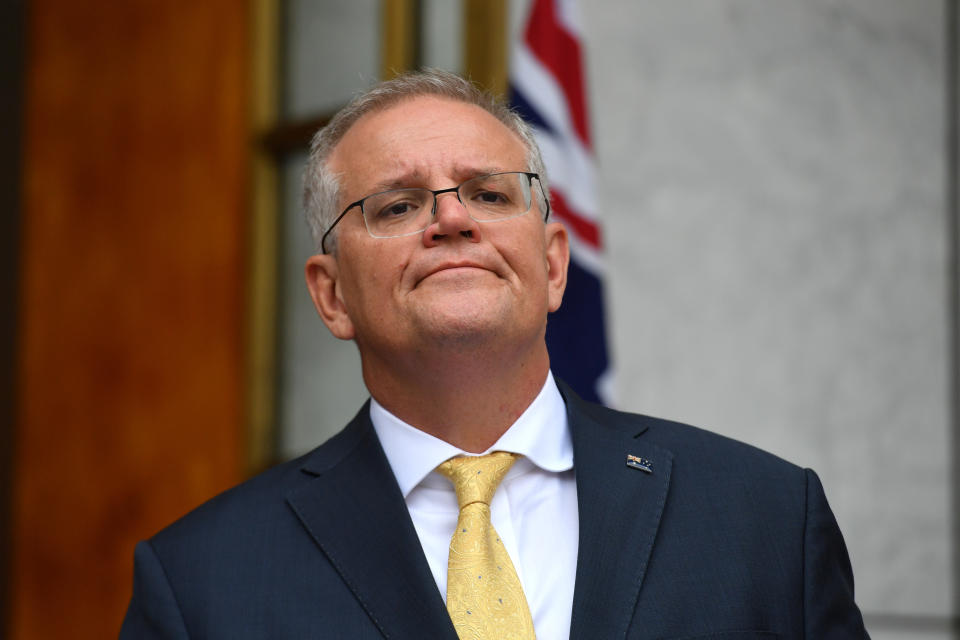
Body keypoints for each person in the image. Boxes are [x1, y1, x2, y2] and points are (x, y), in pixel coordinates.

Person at [120, 70, 869, 639]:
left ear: (552, 264)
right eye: (397, 205)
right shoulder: (202, 582)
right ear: (332, 296)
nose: (450, 219)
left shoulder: (762, 518)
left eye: (487, 194)